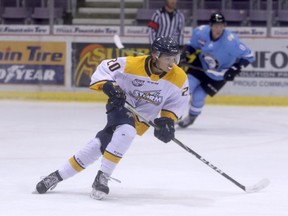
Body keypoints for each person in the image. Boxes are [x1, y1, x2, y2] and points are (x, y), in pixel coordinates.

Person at [35, 36, 190, 200]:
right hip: (121, 105)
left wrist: (167, 121)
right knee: (127, 132)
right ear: (155, 55)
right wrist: (109, 85)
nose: (172, 62)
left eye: (175, 58)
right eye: (168, 58)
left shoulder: (179, 77)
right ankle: (103, 177)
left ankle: (57, 176)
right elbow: (105, 68)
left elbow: (176, 102)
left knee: (99, 145)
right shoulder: (131, 64)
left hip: (141, 118)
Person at [177, 12, 255, 128]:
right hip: (201, 65)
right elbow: (192, 45)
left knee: (198, 96)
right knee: (186, 88)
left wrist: (235, 68)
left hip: (218, 75)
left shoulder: (231, 41)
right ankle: (174, 115)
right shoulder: (201, 32)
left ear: (224, 26)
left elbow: (250, 56)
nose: (218, 29)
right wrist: (186, 53)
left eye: (221, 26)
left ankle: (192, 117)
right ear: (210, 25)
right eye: (215, 25)